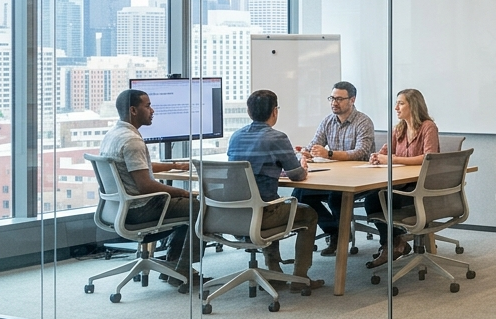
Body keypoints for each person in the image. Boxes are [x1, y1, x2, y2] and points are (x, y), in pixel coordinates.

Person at [97, 89, 204, 288]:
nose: (152, 110)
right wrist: (182, 192)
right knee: (199, 207)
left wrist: (174, 166)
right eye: (147, 106)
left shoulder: (114, 135)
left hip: (117, 208)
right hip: (139, 209)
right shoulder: (132, 141)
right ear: (133, 110)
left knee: (187, 206)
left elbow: (139, 167)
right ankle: (183, 270)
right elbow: (145, 185)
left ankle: (173, 266)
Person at [226, 90, 325, 293]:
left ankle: (274, 269)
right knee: (308, 214)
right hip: (263, 215)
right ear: (274, 112)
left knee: (271, 201)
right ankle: (300, 277)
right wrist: (303, 165)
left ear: (248, 111)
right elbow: (297, 175)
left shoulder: (236, 136)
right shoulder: (277, 137)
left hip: (232, 213)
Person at [293, 81, 375, 255]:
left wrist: (329, 154)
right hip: (332, 176)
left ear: (352, 100)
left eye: (339, 99)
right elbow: (315, 144)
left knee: (335, 197)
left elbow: (361, 153)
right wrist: (307, 153)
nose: (334, 103)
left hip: (359, 179)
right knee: (300, 194)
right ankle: (334, 231)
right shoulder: (328, 121)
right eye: (332, 98)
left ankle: (339, 236)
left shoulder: (363, 121)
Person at [363, 89, 441, 268]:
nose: (396, 107)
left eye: (401, 103)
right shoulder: (399, 128)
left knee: (381, 199)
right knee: (373, 200)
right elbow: (385, 152)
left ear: (413, 106)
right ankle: (394, 242)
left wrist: (393, 159)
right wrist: (376, 157)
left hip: (419, 187)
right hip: (400, 182)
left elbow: (428, 157)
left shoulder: (428, 127)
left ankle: (393, 243)